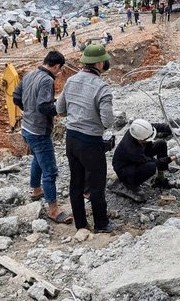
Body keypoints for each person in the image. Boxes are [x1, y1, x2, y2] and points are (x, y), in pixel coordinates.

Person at [57, 44, 117, 234]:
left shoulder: (71, 80)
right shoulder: (102, 88)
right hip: (91, 142)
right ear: (100, 63)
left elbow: (60, 110)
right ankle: (101, 224)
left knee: (76, 182)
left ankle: (81, 224)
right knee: (96, 185)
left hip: (71, 139)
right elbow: (108, 122)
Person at [13, 51, 72, 224]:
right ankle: (53, 209)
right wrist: (60, 111)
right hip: (39, 130)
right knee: (50, 170)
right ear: (56, 66)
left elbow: (16, 97)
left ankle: (36, 189)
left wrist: (28, 110)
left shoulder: (30, 73)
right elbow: (45, 106)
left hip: (26, 127)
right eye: (59, 70)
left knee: (38, 159)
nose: (58, 73)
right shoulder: (47, 80)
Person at [112, 119, 177, 199]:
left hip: (138, 155)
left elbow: (156, 126)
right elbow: (154, 162)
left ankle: (161, 178)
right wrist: (171, 158)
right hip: (125, 169)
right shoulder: (131, 150)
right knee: (151, 167)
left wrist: (173, 130)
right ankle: (130, 184)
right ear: (140, 139)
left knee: (161, 144)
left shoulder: (138, 129)